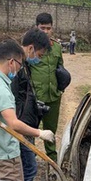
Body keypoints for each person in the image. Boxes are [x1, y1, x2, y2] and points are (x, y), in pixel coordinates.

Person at [0, 39, 55, 181]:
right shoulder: (0, 89)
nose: (19, 69)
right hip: (5, 155)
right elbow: (13, 124)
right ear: (12, 62)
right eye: (19, 64)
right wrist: (40, 133)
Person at [11, 29, 51, 181]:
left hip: (25, 125)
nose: (38, 60)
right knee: (29, 168)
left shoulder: (24, 66)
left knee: (27, 166)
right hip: (20, 127)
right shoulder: (15, 68)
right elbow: (13, 101)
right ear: (31, 49)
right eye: (39, 55)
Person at [29, 12, 64, 162]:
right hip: (35, 97)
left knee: (51, 130)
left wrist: (61, 88)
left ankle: (52, 161)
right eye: (42, 28)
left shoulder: (56, 47)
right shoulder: (30, 48)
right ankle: (30, 157)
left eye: (48, 28)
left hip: (53, 95)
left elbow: (60, 68)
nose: (46, 31)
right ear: (36, 27)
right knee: (31, 128)